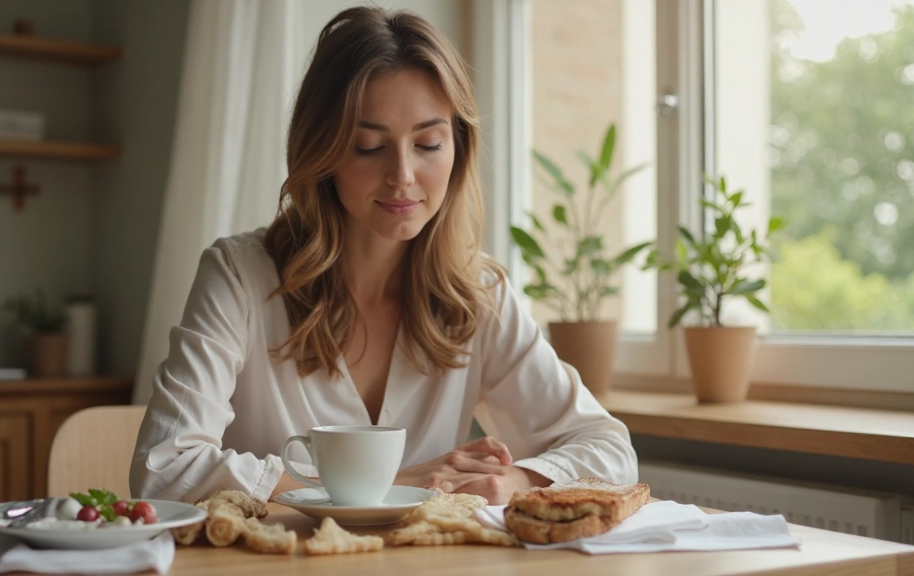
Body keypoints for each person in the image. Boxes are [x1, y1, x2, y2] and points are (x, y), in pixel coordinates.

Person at [131, 5, 638, 506]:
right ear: (322, 152)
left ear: (458, 149)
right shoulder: (238, 276)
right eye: (369, 147)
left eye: (429, 144)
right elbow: (163, 468)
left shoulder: (479, 296)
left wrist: (512, 482)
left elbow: (610, 452)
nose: (402, 176)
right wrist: (386, 487)